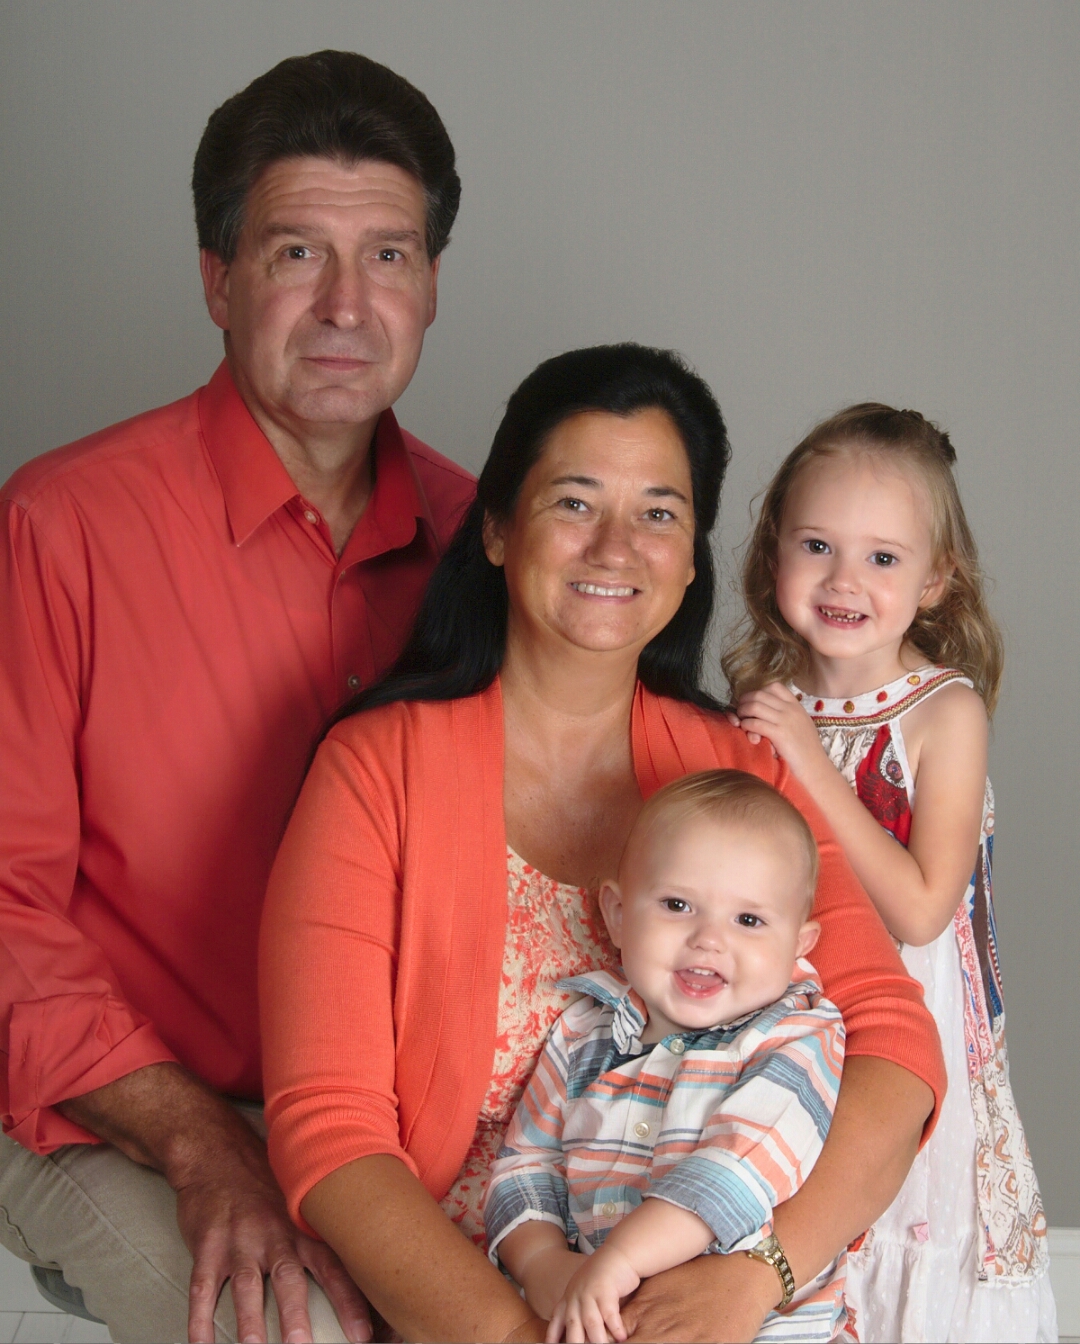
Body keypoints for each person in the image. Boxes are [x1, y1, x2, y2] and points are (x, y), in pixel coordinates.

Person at [259, 345, 947, 1343]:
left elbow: (894, 1046)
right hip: (476, 1295)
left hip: (719, 1294)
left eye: (659, 514)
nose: (616, 548)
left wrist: (755, 1277)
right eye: (575, 502)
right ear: (498, 529)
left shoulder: (742, 770)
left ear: (693, 555)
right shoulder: (376, 771)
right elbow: (331, 1131)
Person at [0, 50, 475, 1344]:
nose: (345, 304)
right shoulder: (60, 526)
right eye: (295, 254)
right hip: (102, 1105)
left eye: (388, 255)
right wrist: (202, 1140)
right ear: (219, 281)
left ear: (432, 286)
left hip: (374, 1130)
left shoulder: (482, 544)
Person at [725, 404, 1056, 1342]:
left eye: (882, 557)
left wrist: (808, 761)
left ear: (936, 579)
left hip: (906, 1026)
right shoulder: (766, 703)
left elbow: (920, 909)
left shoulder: (944, 713)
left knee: (897, 1231)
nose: (844, 579)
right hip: (791, 1017)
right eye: (817, 545)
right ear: (774, 551)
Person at [485, 769, 847, 1344]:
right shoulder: (582, 1033)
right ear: (617, 914)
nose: (709, 939)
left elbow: (736, 1170)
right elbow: (525, 1162)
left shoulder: (797, 1033)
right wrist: (541, 1263)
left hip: (751, 1326)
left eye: (749, 920)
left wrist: (622, 1260)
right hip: (600, 1313)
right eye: (678, 904)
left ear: (798, 945)